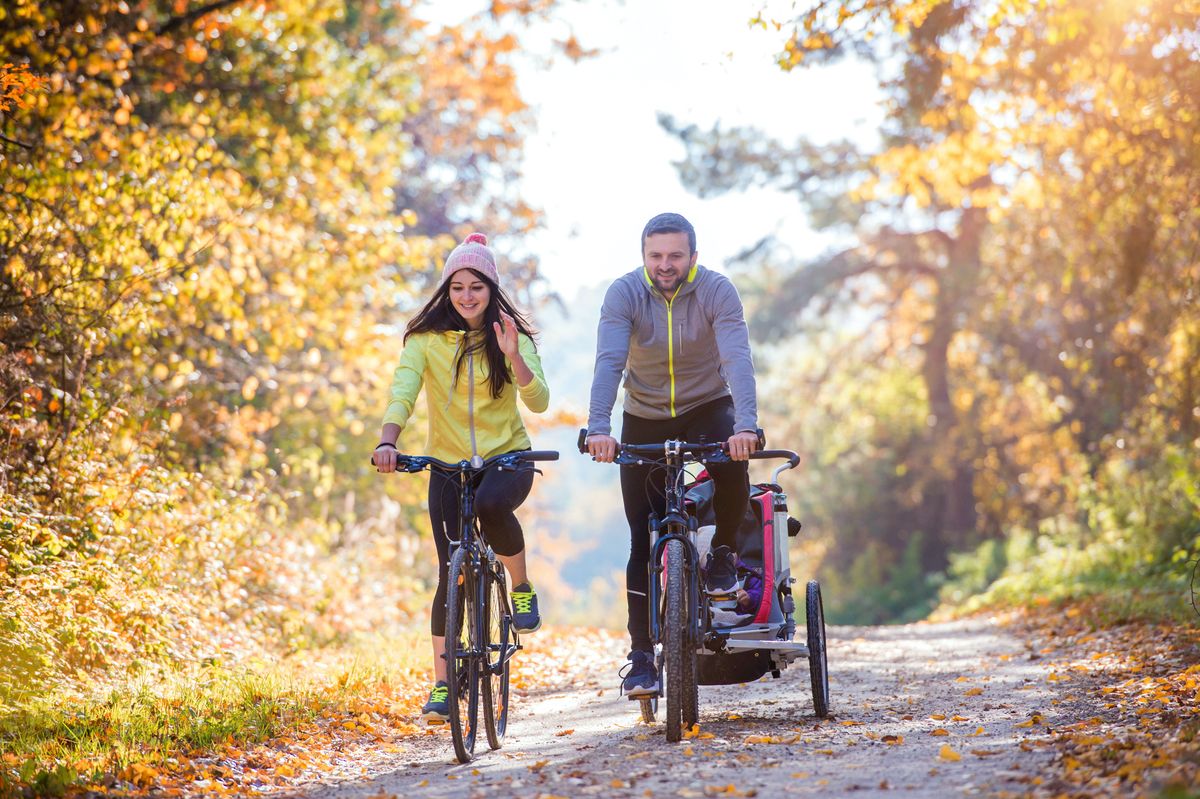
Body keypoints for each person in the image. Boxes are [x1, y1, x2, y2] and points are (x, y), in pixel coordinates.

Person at [374, 232, 550, 724]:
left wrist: (513, 355)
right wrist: (388, 441)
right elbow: (403, 392)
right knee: (449, 571)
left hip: (507, 459)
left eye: (476, 286)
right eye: (457, 287)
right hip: (448, 466)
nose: (467, 296)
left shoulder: (509, 334)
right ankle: (444, 686)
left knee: (494, 507)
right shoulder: (425, 341)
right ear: (446, 291)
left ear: (491, 289)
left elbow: (539, 402)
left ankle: (520, 586)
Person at [584, 212, 759, 698]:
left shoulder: (717, 291)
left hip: (709, 405)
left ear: (693, 258)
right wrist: (599, 429)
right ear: (644, 257)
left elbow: (737, 359)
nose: (665, 265)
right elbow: (609, 362)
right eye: (656, 256)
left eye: (675, 256)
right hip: (644, 416)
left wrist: (745, 425)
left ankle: (722, 552)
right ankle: (641, 658)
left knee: (731, 461)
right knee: (643, 538)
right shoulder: (624, 294)